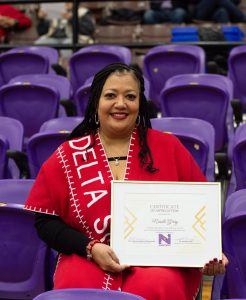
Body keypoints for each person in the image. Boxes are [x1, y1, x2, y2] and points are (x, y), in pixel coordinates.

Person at [24, 63, 228, 299]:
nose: (120, 104)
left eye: (130, 96)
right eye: (110, 95)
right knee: (75, 285)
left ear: (140, 103)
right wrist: (90, 248)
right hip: (87, 255)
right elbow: (45, 222)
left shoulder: (169, 148)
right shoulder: (69, 154)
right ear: (96, 102)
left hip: (160, 261)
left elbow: (201, 213)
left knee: (161, 284)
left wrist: (210, 252)